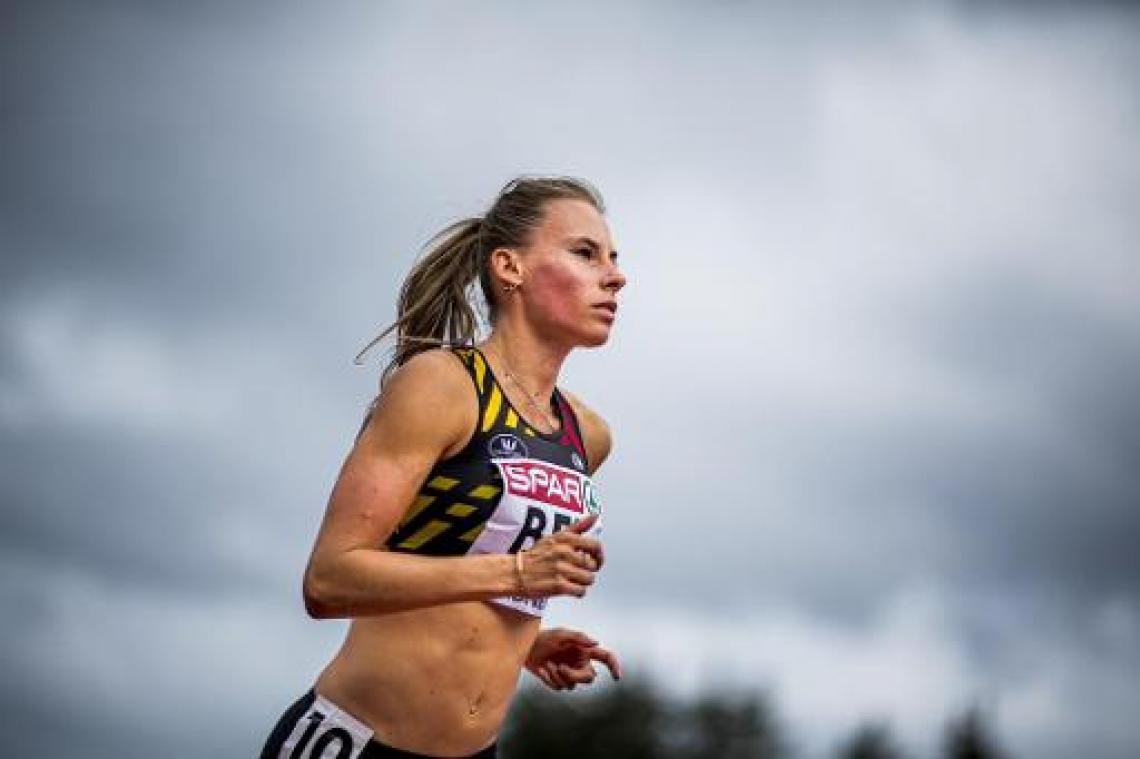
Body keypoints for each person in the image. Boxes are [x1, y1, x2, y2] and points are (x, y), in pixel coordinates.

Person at [259, 176, 627, 759]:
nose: (614, 276)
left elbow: (471, 559)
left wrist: (522, 645)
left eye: (613, 258)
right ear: (510, 268)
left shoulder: (589, 435)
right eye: (585, 253)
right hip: (356, 740)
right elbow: (328, 580)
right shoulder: (442, 385)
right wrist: (518, 574)